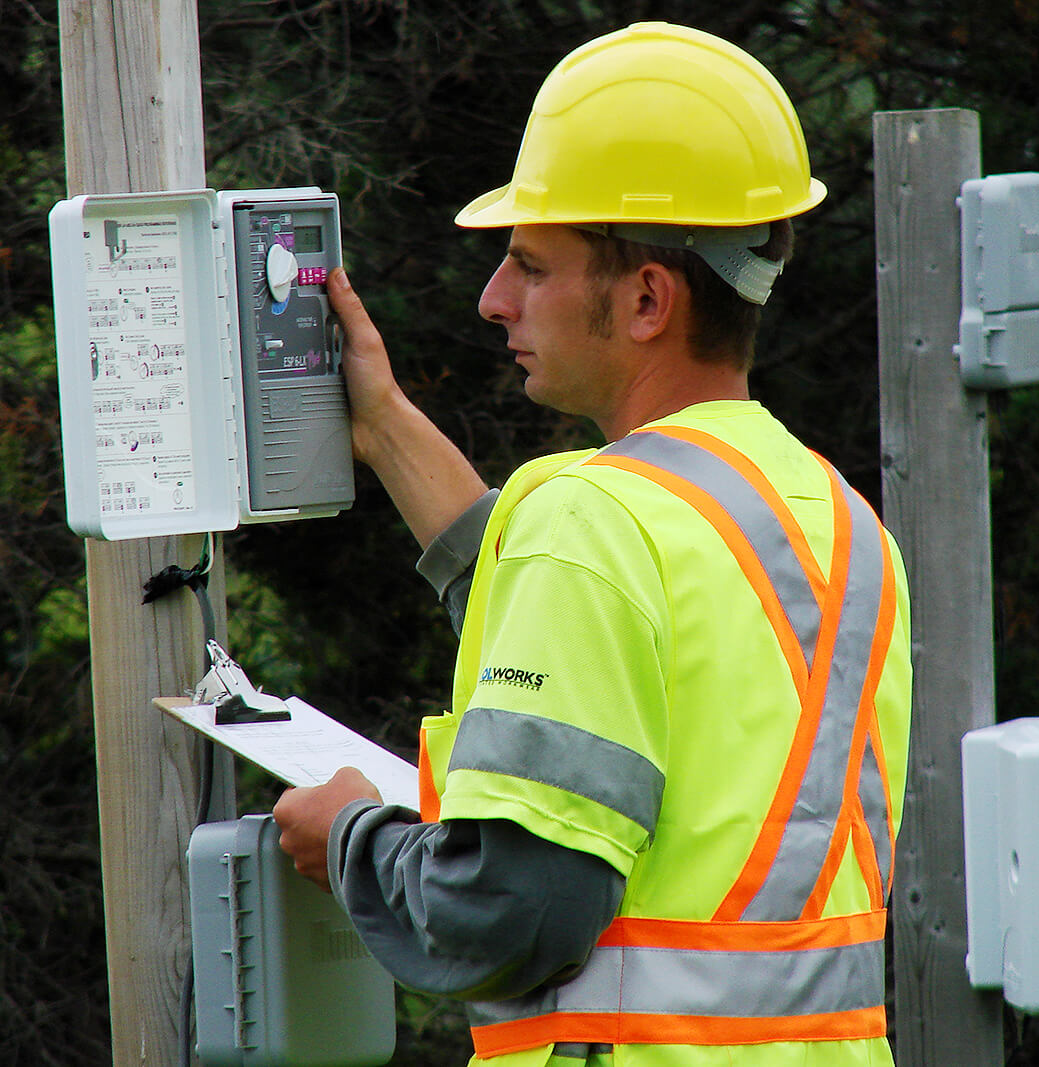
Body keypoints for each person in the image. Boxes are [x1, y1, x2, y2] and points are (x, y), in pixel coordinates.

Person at [273, 21, 912, 1067]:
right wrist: (380, 420)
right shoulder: (839, 523)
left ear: (647, 299)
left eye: (530, 265)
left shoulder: (591, 522)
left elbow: (513, 913)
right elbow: (583, 630)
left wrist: (353, 835)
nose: (494, 300)